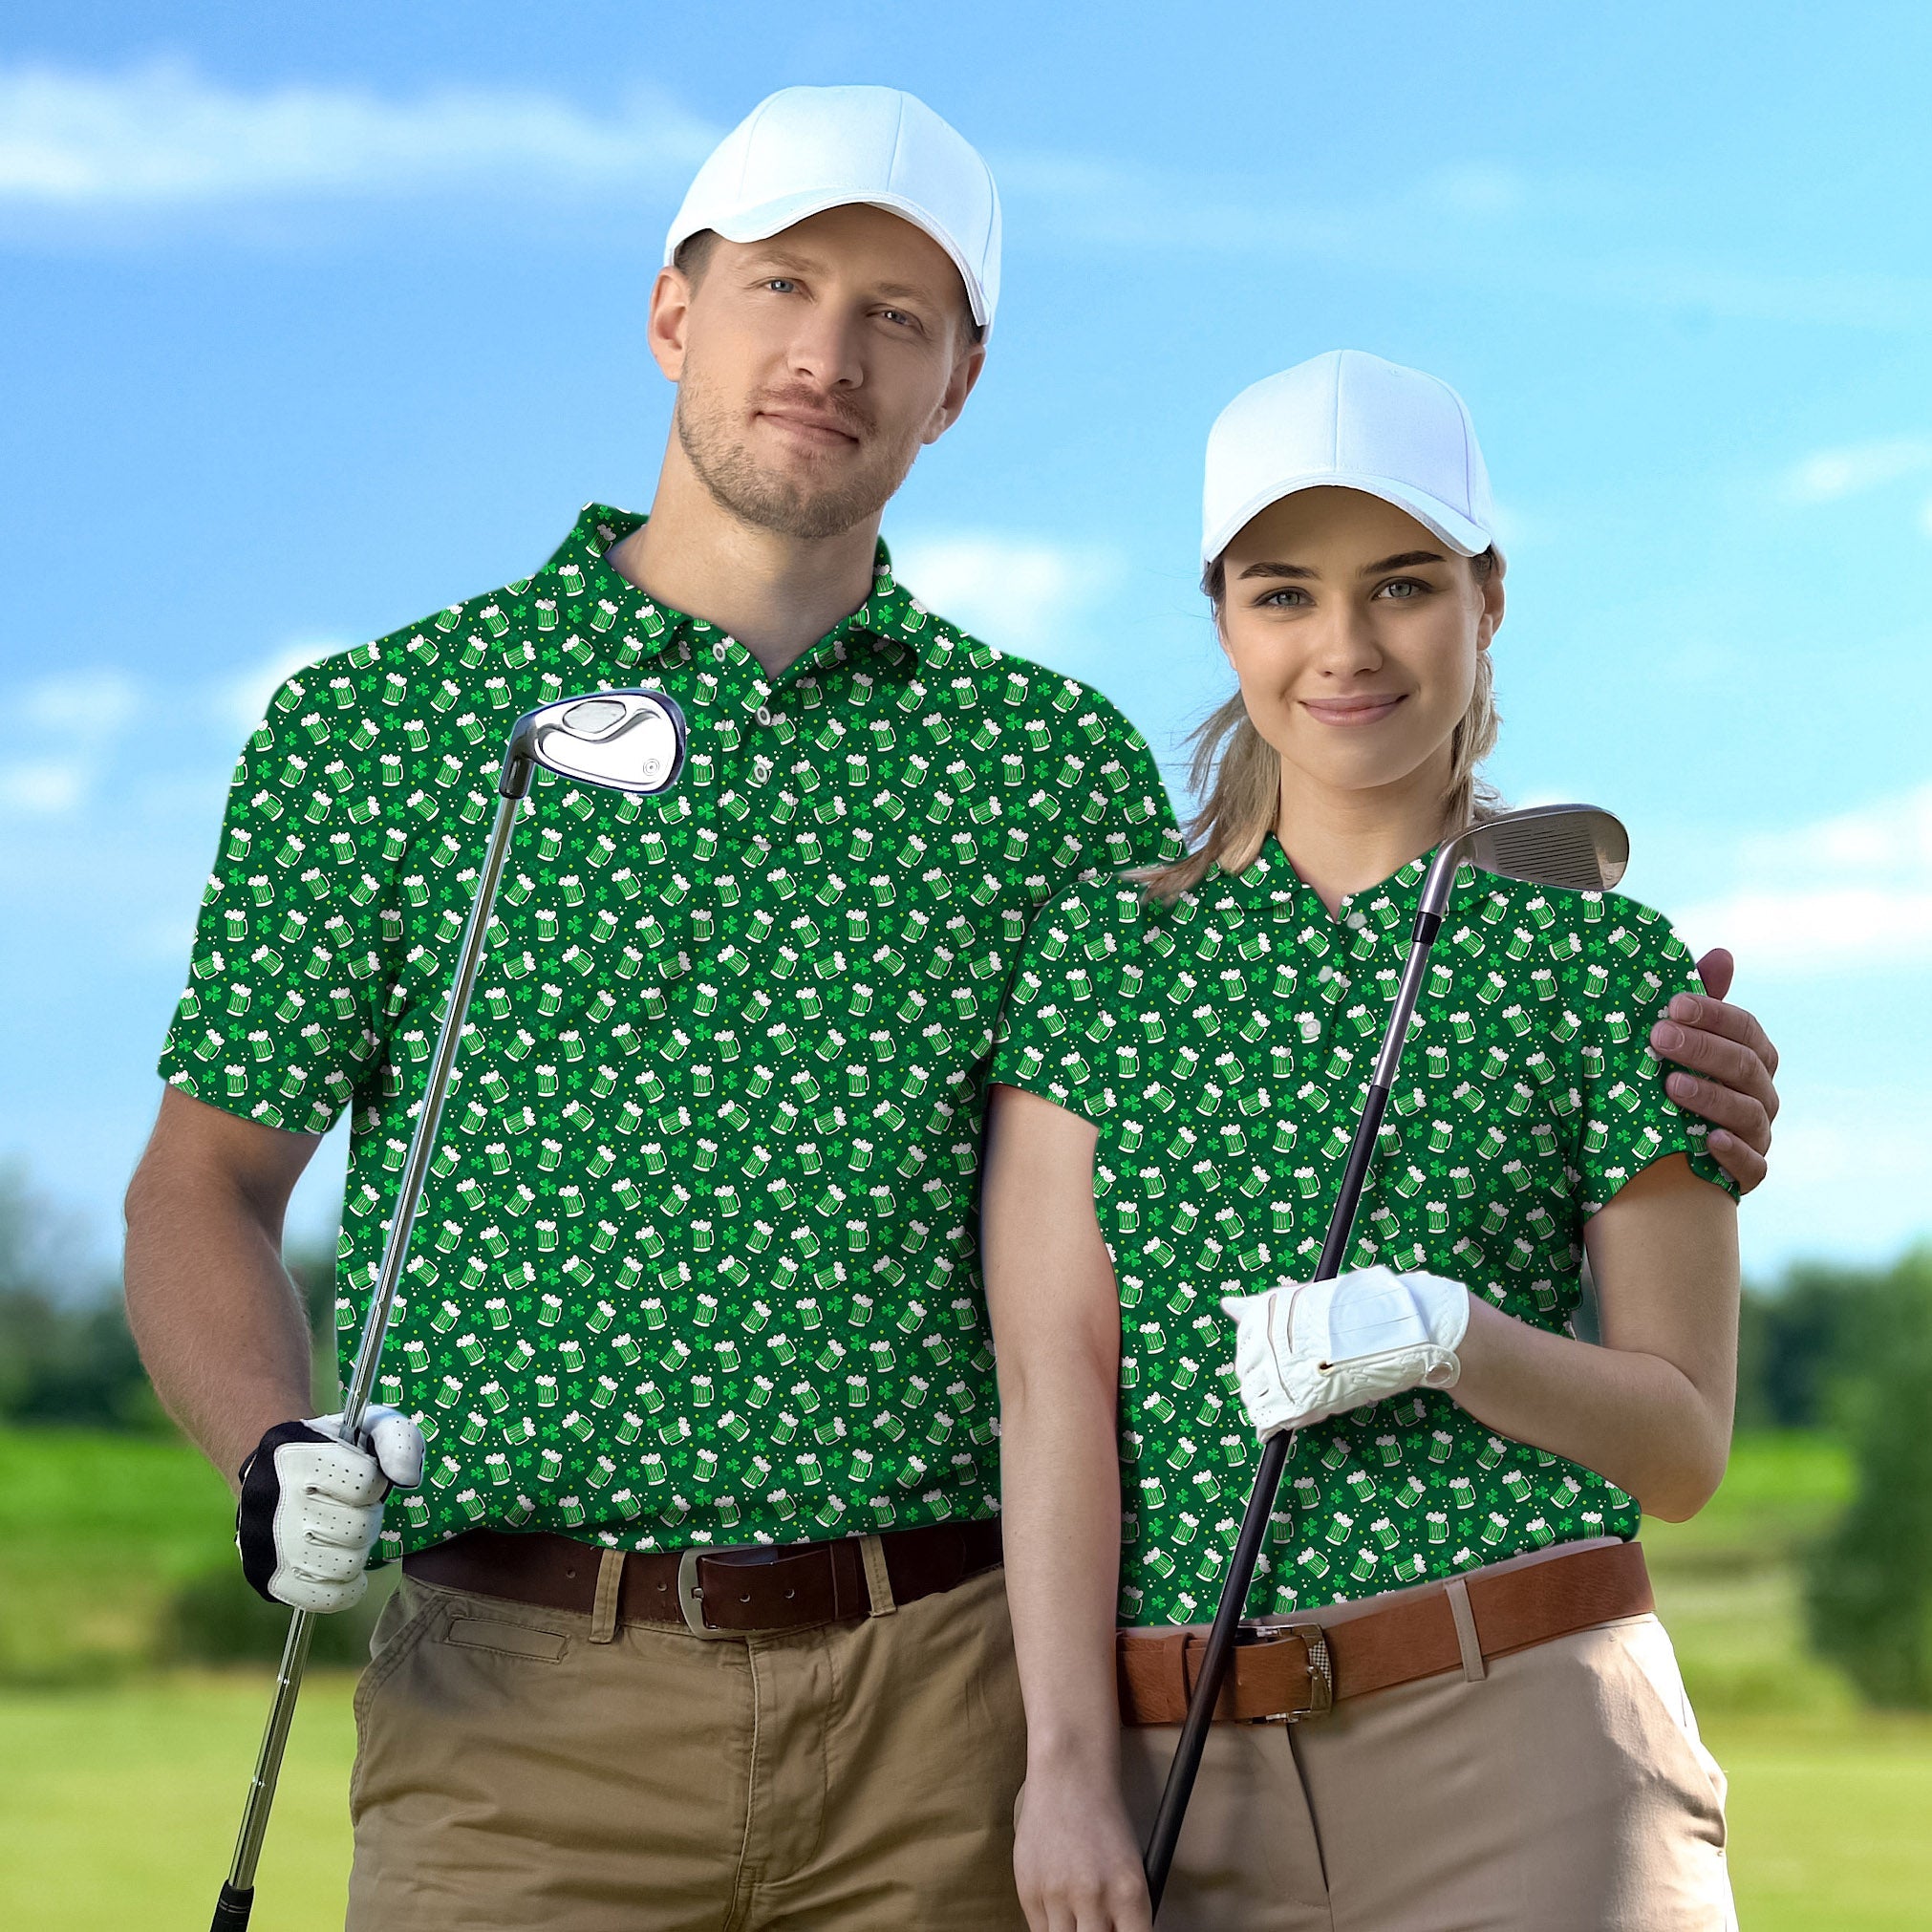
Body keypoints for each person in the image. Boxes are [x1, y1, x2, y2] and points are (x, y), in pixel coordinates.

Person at [118, 83, 1777, 1925]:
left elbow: (1269, 992)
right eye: (781, 287)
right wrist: (272, 1450)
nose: (827, 355)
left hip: (948, 1704)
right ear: (674, 310)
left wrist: (1610, 1013)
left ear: (959, 379)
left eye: (894, 317)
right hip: (517, 1706)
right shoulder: (387, 729)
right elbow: (202, 1187)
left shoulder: (1045, 765)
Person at [984, 351, 1749, 1930]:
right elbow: (1054, 1386)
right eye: (1283, 594)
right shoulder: (1098, 963)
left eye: (1400, 585)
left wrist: (1449, 1335)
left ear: (1485, 598)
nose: (1343, 647)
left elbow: (1678, 1449)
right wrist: (1062, 1762)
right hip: (1182, 1770)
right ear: (1220, 617)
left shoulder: (1599, 963)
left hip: (1529, 1734)